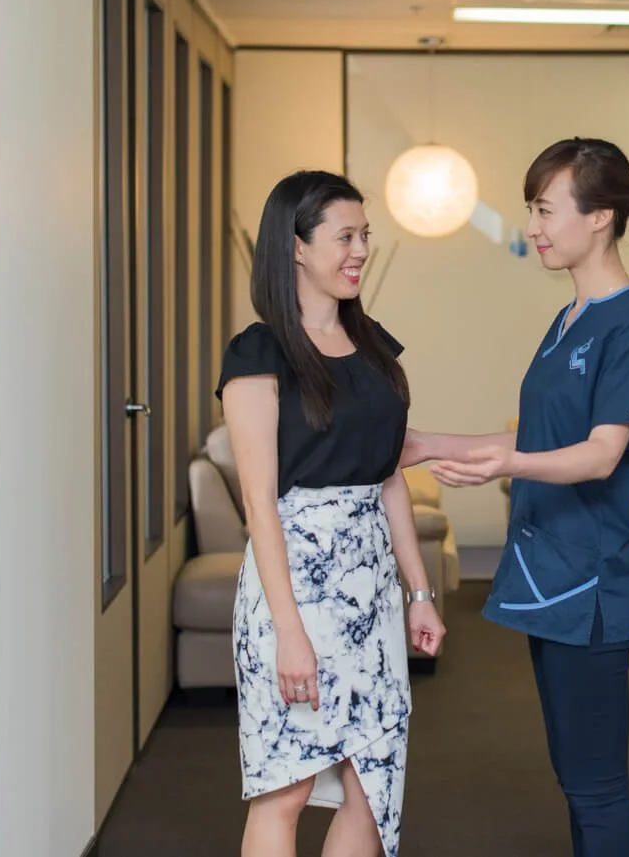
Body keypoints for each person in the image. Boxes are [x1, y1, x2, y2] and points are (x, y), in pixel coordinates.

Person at [400, 137, 629, 857]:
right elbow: (541, 435)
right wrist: (433, 443)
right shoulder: (568, 320)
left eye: (545, 209)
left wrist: (506, 463)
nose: (532, 227)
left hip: (589, 586)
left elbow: (602, 452)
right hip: (550, 576)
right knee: (576, 780)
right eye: (531, 209)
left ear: (603, 217)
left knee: (597, 788)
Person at [217, 170, 446, 857]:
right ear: (295, 247)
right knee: (285, 785)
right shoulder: (258, 353)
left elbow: (389, 478)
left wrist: (419, 592)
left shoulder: (373, 346)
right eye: (345, 236)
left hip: (369, 592)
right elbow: (259, 501)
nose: (361, 250)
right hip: (292, 590)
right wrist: (289, 631)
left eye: (365, 235)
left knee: (371, 783)